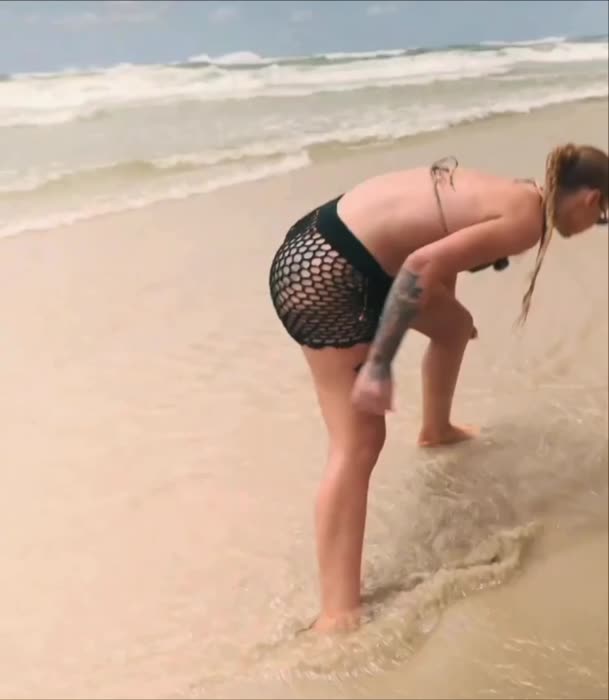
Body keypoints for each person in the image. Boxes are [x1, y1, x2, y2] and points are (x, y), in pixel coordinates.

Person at [268, 143, 608, 632]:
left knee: (454, 327)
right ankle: (337, 613)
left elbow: (437, 245)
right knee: (358, 443)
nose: (596, 225)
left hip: (326, 240)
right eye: (602, 217)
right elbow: (422, 265)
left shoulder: (519, 194)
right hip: (329, 273)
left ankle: (437, 429)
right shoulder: (525, 222)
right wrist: (379, 363)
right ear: (592, 199)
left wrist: (445, 314)